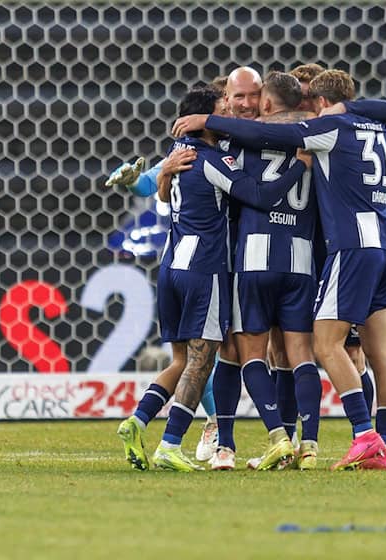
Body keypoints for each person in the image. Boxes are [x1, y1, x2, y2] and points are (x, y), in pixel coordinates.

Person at [173, 70, 386, 471]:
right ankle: (373, 444)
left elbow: (269, 140)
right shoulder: (372, 125)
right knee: (375, 354)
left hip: (329, 251)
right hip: (378, 245)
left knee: (313, 347)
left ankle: (354, 436)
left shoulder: (321, 129)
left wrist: (207, 122)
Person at [116, 86, 310, 471]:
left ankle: (137, 421)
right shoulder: (212, 160)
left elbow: (161, 192)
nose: (225, 116)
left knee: (181, 360)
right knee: (202, 363)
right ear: (203, 120)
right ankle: (171, 443)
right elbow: (257, 195)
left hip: (172, 265)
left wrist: (163, 178)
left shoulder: (177, 157)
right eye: (220, 109)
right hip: (205, 269)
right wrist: (299, 167)